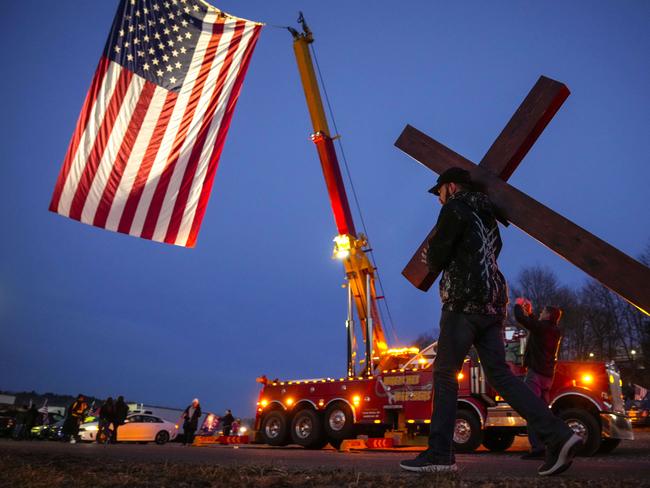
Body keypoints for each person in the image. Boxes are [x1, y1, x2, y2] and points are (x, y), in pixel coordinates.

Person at [399, 167, 581, 476]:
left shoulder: (455, 208)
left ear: (450, 186)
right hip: (493, 305)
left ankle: (440, 453)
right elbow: (493, 250)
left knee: (444, 375)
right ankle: (559, 435)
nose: (439, 199)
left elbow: (436, 257)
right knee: (502, 378)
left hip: (463, 303)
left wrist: (432, 253)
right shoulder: (487, 215)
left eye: (439, 192)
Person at [514, 298, 563, 459]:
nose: (540, 313)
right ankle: (550, 444)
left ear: (548, 315)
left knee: (532, 411)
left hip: (535, 375)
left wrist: (517, 305)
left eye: (542, 311)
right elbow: (537, 326)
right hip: (548, 377)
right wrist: (531, 313)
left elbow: (521, 319)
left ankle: (537, 449)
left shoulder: (542, 328)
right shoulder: (555, 331)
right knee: (543, 413)